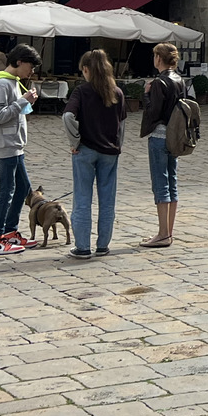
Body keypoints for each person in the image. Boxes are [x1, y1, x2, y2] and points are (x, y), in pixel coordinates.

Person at [63, 48, 125, 259]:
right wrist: (118, 146)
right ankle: (102, 245)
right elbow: (122, 124)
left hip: (86, 149)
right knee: (107, 200)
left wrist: (75, 141)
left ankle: (82, 247)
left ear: (87, 70)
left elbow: (68, 117)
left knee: (82, 198)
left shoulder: (82, 91)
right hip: (110, 152)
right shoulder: (117, 92)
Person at [0, 44, 42, 255]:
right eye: (31, 66)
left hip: (16, 145)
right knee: (7, 191)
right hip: (6, 145)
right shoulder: (1, 84)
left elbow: (15, 111)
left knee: (22, 188)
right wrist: (21, 102)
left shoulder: (14, 83)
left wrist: (27, 103)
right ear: (19, 62)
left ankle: (10, 232)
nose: (32, 71)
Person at [139, 42, 185, 248]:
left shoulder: (160, 82)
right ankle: (168, 231)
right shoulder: (179, 80)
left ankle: (163, 233)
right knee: (171, 182)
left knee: (160, 184)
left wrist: (146, 94)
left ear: (159, 58)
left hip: (159, 135)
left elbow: (153, 112)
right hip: (175, 136)